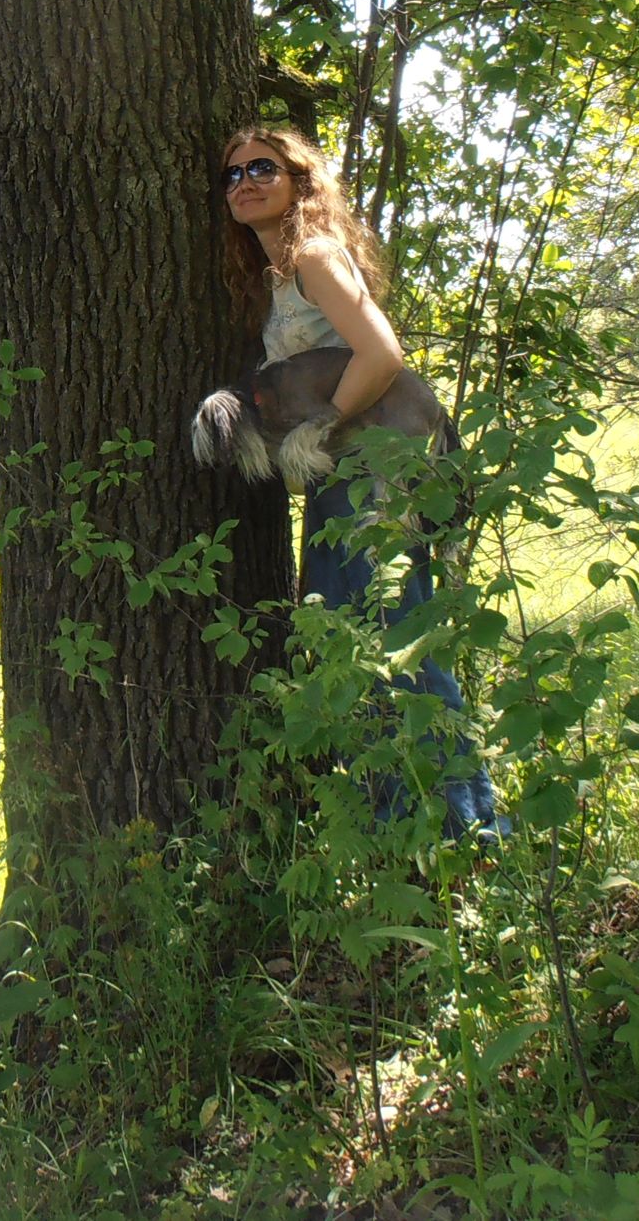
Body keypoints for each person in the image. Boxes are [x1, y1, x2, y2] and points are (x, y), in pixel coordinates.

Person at [218, 124, 505, 838]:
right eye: (232, 175)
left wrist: (319, 427)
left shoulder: (313, 254)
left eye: (264, 167)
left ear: (299, 181)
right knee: (357, 636)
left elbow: (381, 354)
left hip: (375, 465)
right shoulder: (283, 271)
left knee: (395, 633)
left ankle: (464, 831)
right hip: (346, 469)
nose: (246, 181)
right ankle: (405, 824)